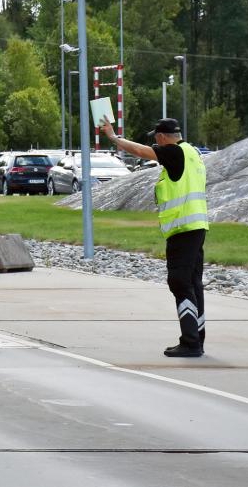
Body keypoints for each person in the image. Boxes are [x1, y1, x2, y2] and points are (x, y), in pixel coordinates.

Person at [100, 117, 209, 358]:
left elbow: (140, 151)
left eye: (157, 139)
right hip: (197, 226)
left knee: (180, 282)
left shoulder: (174, 152)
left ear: (161, 137)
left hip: (182, 228)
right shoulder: (193, 153)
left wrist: (113, 137)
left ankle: (191, 342)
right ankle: (197, 338)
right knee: (193, 283)